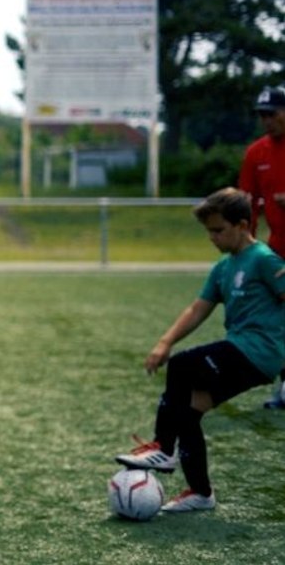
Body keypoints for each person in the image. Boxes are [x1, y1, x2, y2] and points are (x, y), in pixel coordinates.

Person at [114, 187, 285, 512]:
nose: (212, 238)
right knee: (188, 412)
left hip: (258, 352)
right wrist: (164, 341)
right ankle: (200, 492)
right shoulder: (223, 267)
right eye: (208, 231)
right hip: (243, 352)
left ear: (243, 225)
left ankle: (163, 447)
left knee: (182, 366)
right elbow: (198, 309)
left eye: (218, 230)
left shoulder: (263, 259)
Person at [237, 84, 285, 409]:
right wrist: (245, 248)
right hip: (278, 251)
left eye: (272, 114)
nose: (267, 120)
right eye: (262, 115)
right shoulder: (256, 153)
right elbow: (246, 205)